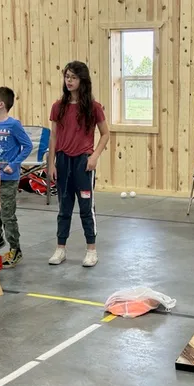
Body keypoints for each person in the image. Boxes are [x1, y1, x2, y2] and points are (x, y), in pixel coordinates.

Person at [47, 61, 110, 267]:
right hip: (63, 161)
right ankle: (60, 249)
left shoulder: (94, 107)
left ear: (82, 80)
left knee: (86, 208)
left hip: (83, 162)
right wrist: (52, 164)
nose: (69, 81)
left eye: (73, 77)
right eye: (67, 77)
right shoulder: (58, 107)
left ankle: (91, 250)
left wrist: (94, 157)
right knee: (64, 207)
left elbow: (105, 134)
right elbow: (54, 137)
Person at [0, 86, 33, 267]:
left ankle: (15, 248)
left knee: (7, 214)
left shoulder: (13, 125)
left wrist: (13, 164)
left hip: (8, 179)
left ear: (1, 104)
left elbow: (27, 146)